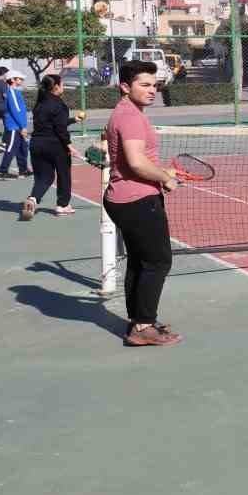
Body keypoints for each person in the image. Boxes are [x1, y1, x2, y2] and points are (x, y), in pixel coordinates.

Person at [104, 61, 182, 347]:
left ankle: (139, 320)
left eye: (154, 85)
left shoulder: (126, 112)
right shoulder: (131, 117)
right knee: (158, 261)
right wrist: (166, 179)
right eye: (145, 85)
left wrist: (162, 173)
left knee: (139, 262)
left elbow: (133, 159)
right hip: (136, 199)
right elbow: (136, 163)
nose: (152, 90)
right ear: (125, 87)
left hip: (124, 197)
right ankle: (144, 326)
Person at [20, 74, 83, 220]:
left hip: (36, 144)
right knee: (63, 174)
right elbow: (60, 129)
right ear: (56, 87)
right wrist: (70, 146)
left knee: (44, 177)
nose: (63, 87)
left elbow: (53, 123)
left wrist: (73, 119)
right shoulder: (59, 105)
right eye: (61, 84)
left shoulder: (39, 104)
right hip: (55, 146)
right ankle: (62, 205)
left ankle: (33, 199)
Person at [0, 71, 32, 180]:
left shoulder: (16, 92)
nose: (21, 80)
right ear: (12, 80)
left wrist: (23, 126)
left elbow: (20, 111)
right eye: (19, 79)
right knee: (11, 149)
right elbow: (16, 110)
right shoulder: (11, 92)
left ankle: (23, 171)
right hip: (14, 127)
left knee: (22, 148)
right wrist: (23, 126)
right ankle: (1, 172)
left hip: (19, 126)